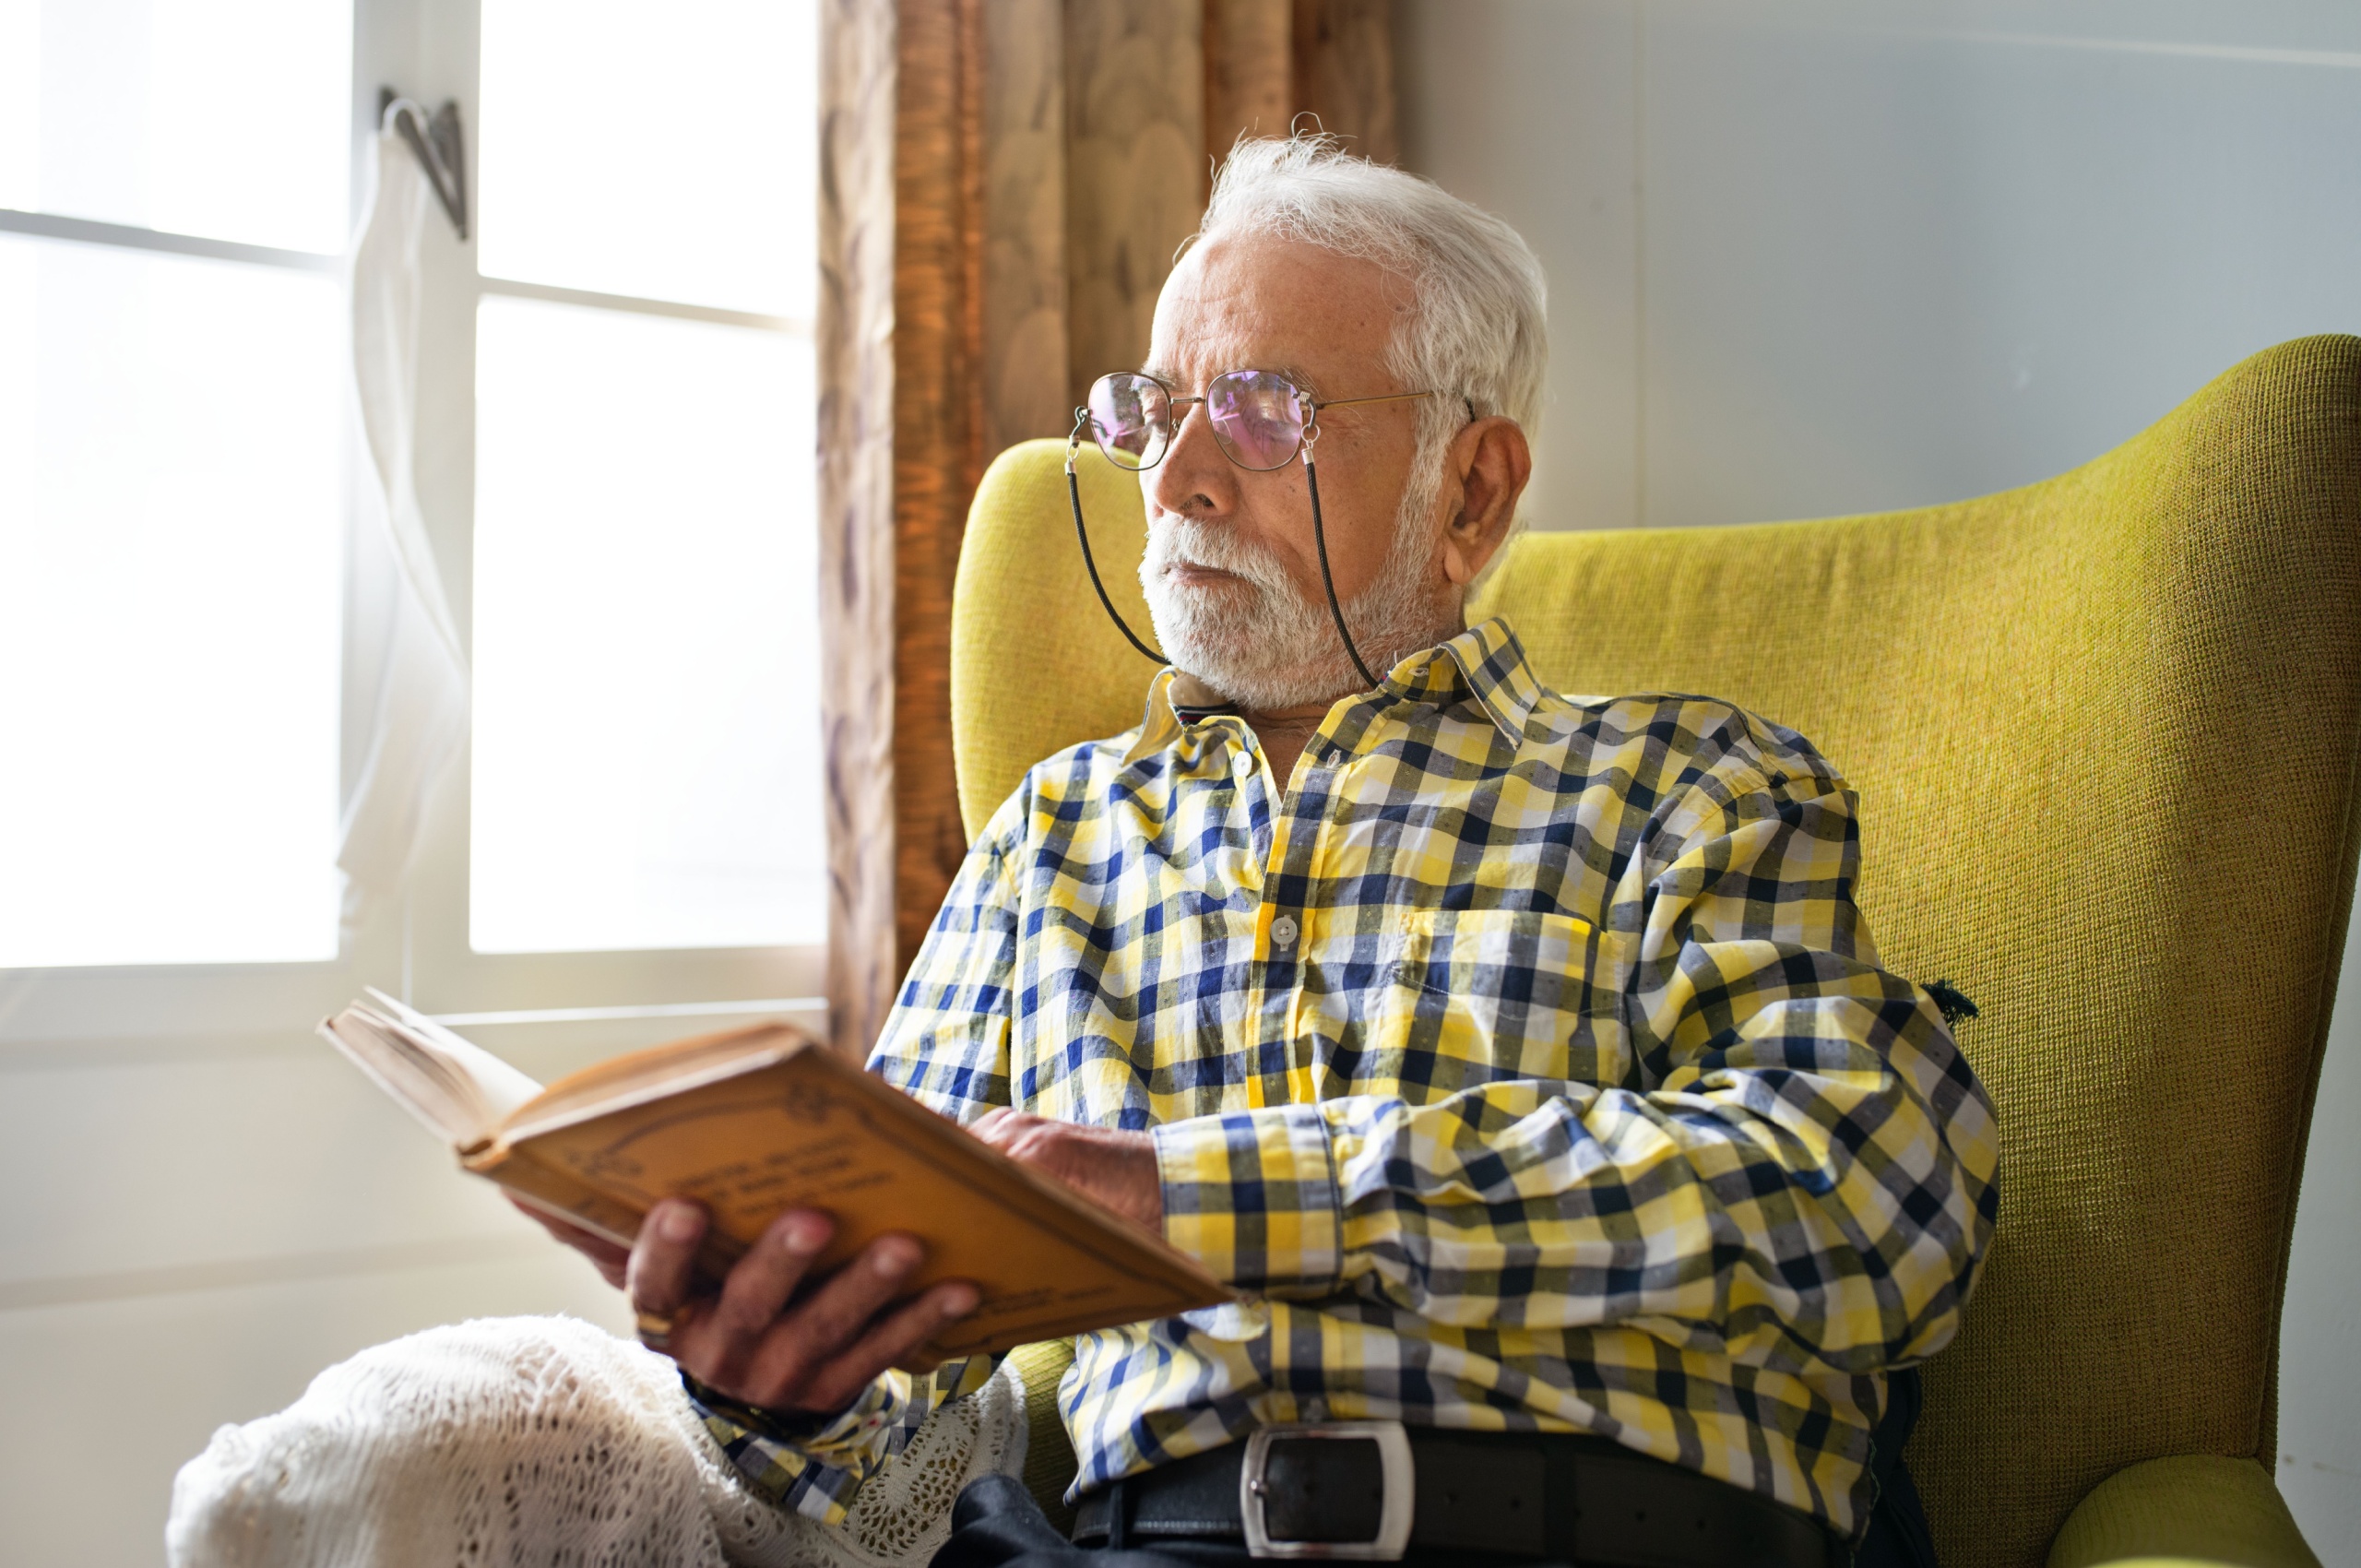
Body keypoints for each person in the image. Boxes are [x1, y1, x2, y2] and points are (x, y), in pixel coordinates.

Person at [171, 137, 1995, 1568]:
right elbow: (883, 1473)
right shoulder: (1056, 844)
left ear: (1472, 487)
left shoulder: (1684, 789)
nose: (1178, 476)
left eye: (1265, 408)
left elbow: (1872, 1205)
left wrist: (1186, 1195)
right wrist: (768, 1384)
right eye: (1150, 408)